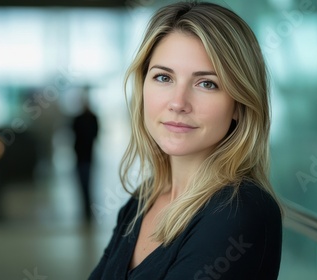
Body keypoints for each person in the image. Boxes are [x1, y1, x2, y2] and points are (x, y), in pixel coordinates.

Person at [89, 1, 282, 279]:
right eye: (163, 77)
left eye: (207, 83)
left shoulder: (239, 211)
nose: (178, 103)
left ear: (240, 104)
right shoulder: (144, 199)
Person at [72, 88, 99, 223]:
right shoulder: (80, 118)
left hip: (87, 156)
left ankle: (88, 209)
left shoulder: (91, 118)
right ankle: (86, 209)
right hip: (81, 156)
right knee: (83, 183)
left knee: (87, 182)